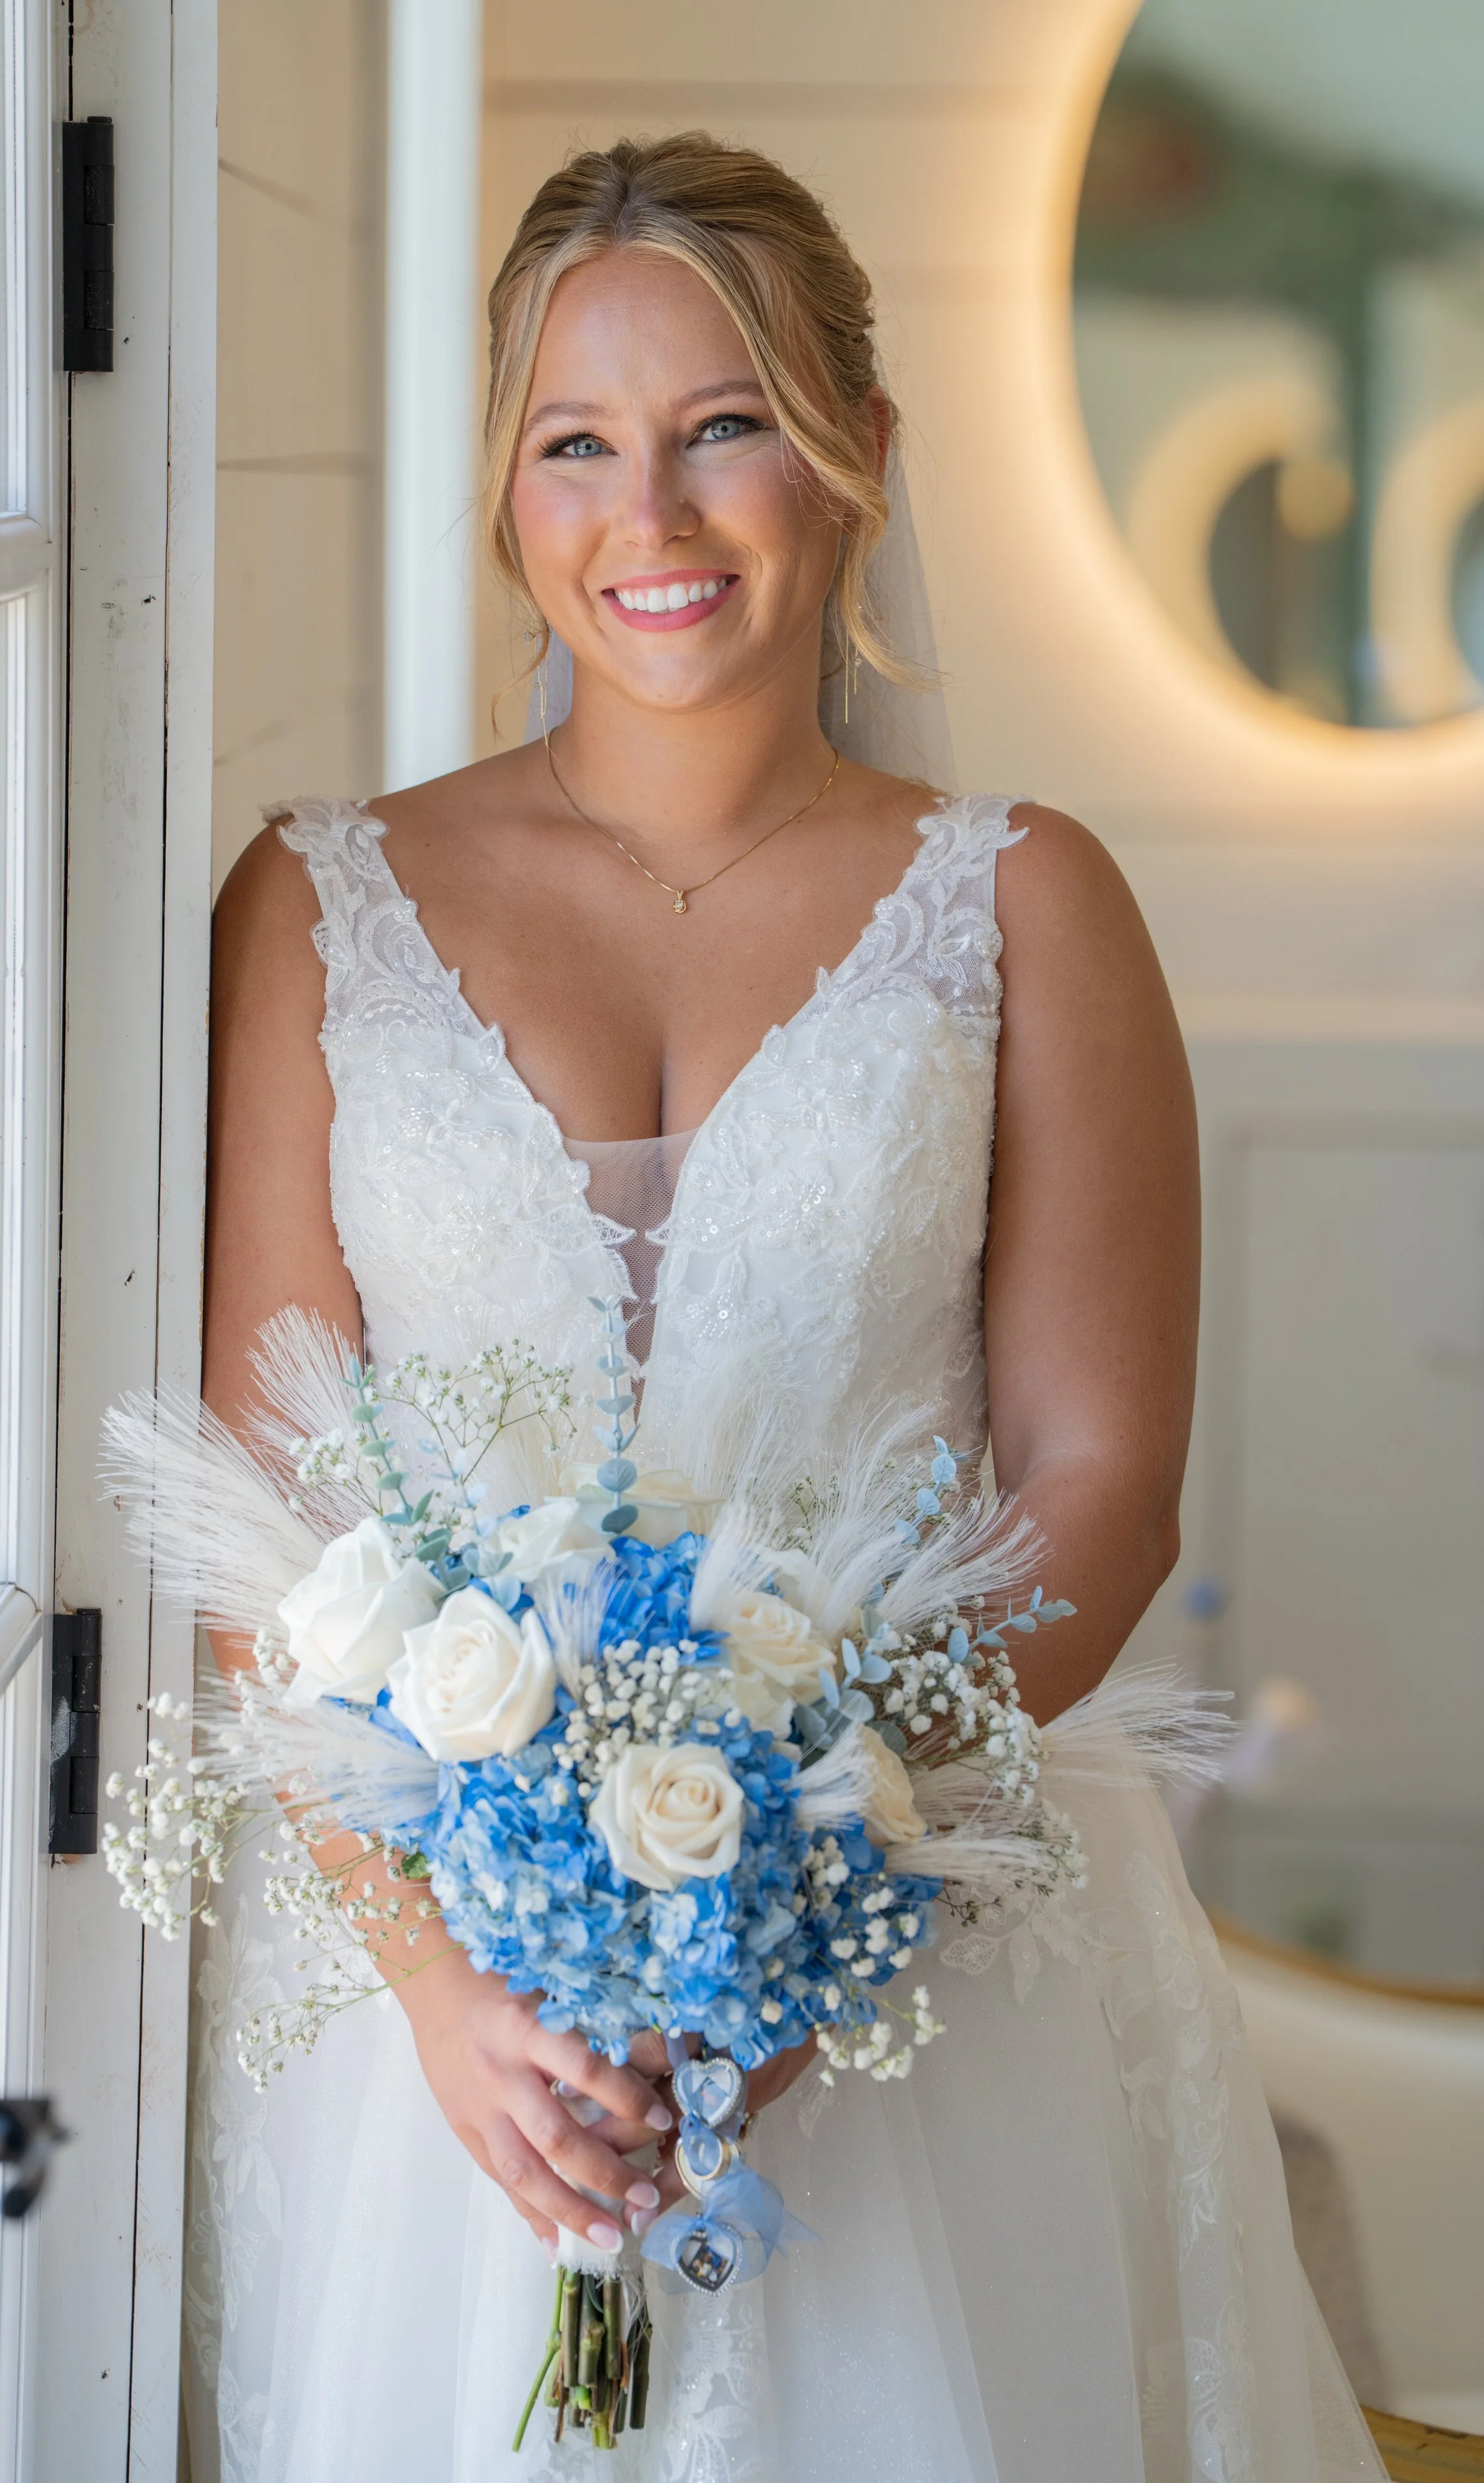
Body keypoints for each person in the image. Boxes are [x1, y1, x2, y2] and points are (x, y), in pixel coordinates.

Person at [195, 132, 1383, 2483]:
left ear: (850, 464)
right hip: (443, 2038)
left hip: (938, 1978)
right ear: (513, 493)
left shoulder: (1028, 902)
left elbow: (1095, 1481)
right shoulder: (317, 902)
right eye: (577, 442)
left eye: (723, 423)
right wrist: (451, 1992)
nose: (653, 512)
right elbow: (259, 1513)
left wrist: (813, 1906)